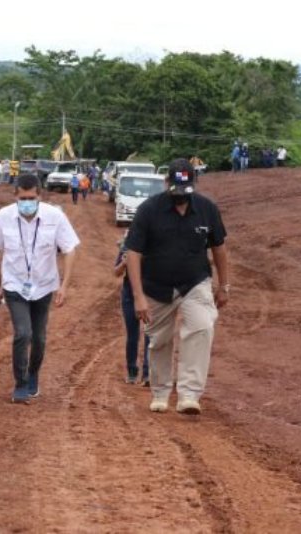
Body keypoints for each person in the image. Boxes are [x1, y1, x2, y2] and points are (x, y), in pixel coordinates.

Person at [125, 158, 229, 416]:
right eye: (176, 191)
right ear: (167, 183)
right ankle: (160, 392)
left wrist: (224, 285)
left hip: (195, 282)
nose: (180, 197)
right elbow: (133, 253)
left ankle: (189, 395)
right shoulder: (148, 210)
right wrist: (138, 297)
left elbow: (219, 247)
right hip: (156, 286)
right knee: (159, 340)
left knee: (202, 327)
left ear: (194, 184)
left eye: (186, 192)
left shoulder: (207, 209)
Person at [0, 174, 80, 403]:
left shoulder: (55, 217)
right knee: (23, 333)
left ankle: (33, 372)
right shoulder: (3, 217)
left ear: (40, 195)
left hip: (45, 285)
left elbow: (69, 250)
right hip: (14, 285)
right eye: (23, 198)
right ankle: (21, 383)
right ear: (15, 196)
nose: (27, 202)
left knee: (39, 338)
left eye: (32, 197)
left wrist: (64, 286)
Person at [113, 235, 149, 385]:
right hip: (129, 294)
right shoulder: (128, 244)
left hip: (150, 293)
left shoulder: (156, 242)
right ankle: (132, 371)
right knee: (132, 335)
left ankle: (148, 373)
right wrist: (124, 263)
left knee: (150, 334)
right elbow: (116, 272)